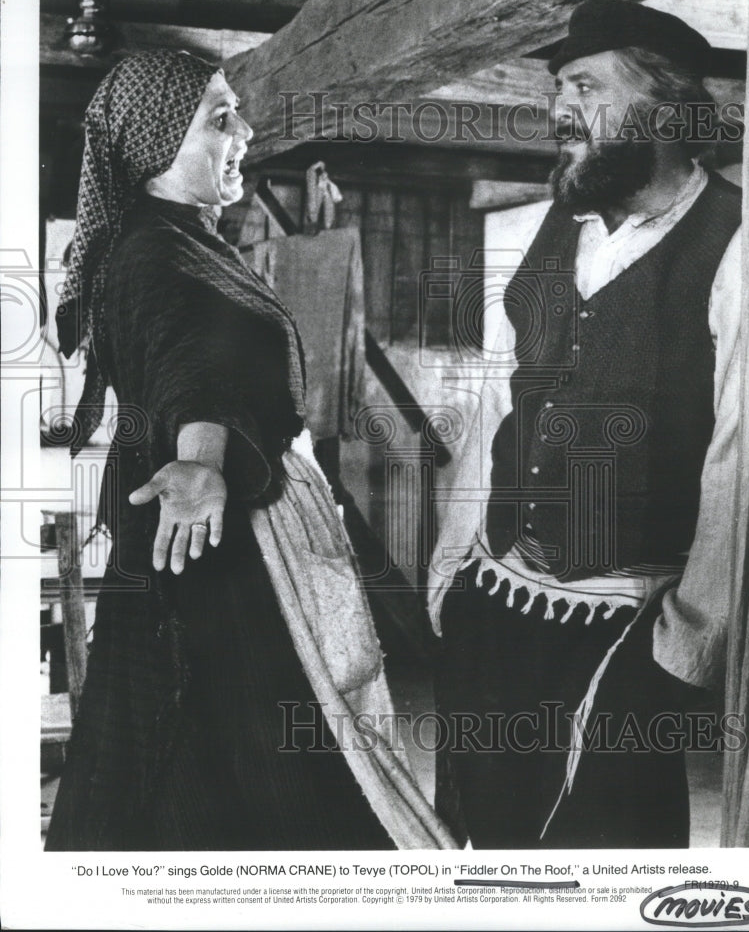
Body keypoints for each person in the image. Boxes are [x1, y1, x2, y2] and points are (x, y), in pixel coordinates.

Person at [46, 50, 454, 851]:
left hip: (227, 532)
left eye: (238, 113)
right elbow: (190, 361)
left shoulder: (188, 240)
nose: (246, 132)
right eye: (219, 117)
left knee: (212, 756)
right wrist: (201, 461)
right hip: (211, 543)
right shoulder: (150, 254)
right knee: (256, 758)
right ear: (155, 141)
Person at [429, 0, 743, 849]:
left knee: (606, 849)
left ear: (667, 110)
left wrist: (692, 640)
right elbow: (499, 401)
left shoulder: (740, 241)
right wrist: (453, 564)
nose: (559, 109)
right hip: (493, 600)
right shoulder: (552, 229)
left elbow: (744, 455)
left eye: (584, 85)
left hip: (625, 623)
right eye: (556, 87)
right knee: (486, 838)